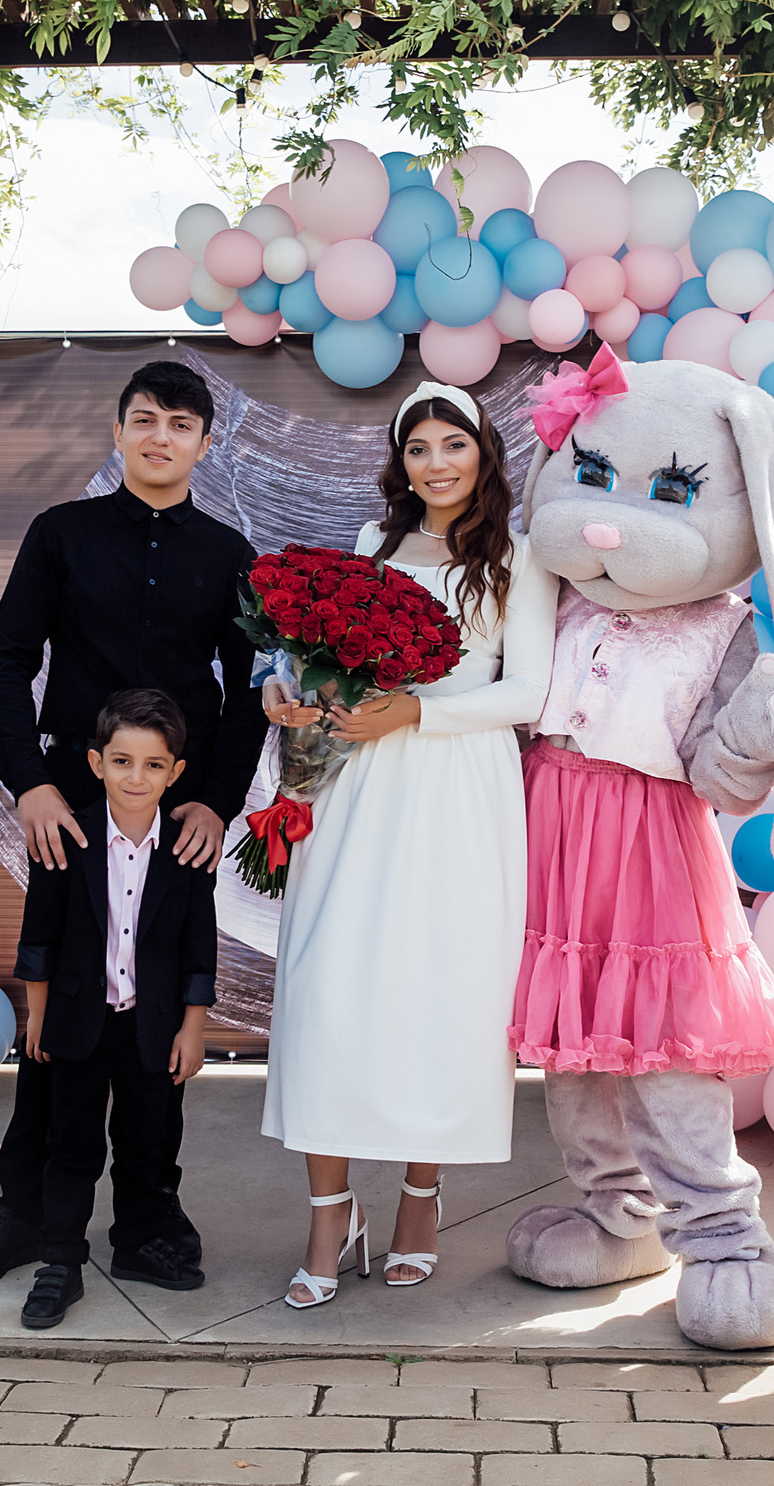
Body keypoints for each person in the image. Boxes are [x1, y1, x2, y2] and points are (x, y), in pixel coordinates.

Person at [0, 359, 260, 1298]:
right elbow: (7, 663)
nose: (161, 437)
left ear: (206, 443)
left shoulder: (229, 554)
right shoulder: (60, 535)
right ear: (117, 433)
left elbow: (248, 690)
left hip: (178, 802)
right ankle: (27, 1213)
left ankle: (151, 1220)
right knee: (59, 1019)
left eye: (181, 424)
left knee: (159, 1014)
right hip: (74, 802)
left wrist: (217, 800)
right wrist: (30, 785)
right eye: (145, 420)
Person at [257, 380, 559, 1308]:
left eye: (452, 445)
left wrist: (416, 715)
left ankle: (420, 1200)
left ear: (482, 453)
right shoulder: (370, 546)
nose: (436, 463)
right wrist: (296, 690)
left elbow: (527, 694)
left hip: (459, 785)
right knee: (330, 987)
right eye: (419, 448)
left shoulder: (519, 553)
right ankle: (330, 1212)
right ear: (402, 461)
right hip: (357, 786)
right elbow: (326, 660)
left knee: (440, 991)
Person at [5, 689, 219, 1329]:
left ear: (177, 772)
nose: (137, 777)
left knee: (147, 1144)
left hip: (152, 1028)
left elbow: (198, 947)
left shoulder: (186, 847)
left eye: (154, 765)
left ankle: (137, 1244)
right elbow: (37, 935)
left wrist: (193, 1028)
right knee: (70, 1146)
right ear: (96, 762)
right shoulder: (66, 838)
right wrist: (35, 1014)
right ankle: (60, 1261)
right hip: (77, 1022)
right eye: (122, 761)